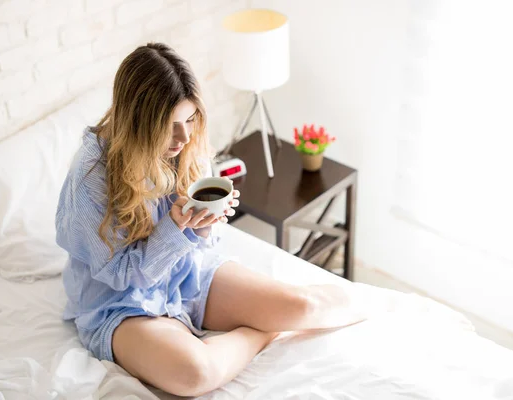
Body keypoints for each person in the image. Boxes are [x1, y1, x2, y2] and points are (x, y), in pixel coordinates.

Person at [55, 43, 369, 397]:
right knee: (195, 373)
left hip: (183, 272)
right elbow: (125, 276)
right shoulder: (90, 176)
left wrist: (203, 227)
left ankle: (295, 318)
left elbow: (201, 242)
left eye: (190, 120)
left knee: (305, 306)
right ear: (138, 121)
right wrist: (175, 230)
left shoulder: (184, 146)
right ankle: (264, 331)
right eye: (170, 125)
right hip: (119, 302)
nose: (184, 137)